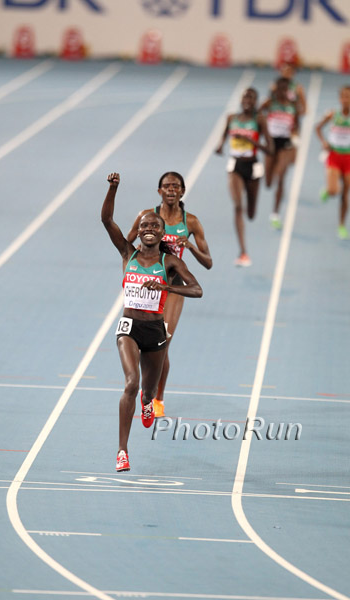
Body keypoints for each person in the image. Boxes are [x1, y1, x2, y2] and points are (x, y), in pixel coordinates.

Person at [102, 172, 203, 472]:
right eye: (144, 226)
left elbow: (197, 289)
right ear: (139, 231)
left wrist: (166, 287)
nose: (148, 229)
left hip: (155, 330)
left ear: (161, 234)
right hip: (129, 328)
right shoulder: (127, 253)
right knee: (131, 384)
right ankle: (122, 451)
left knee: (147, 391)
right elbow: (107, 220)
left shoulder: (169, 262)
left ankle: (148, 402)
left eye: (154, 226)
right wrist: (113, 188)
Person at [126, 172, 212, 418]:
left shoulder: (191, 222)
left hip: (172, 287)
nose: (171, 189)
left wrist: (190, 246)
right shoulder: (146, 217)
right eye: (167, 186)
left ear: (182, 191)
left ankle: (157, 399)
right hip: (147, 285)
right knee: (142, 342)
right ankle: (145, 390)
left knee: (162, 344)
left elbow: (208, 263)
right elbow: (126, 245)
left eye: (176, 186)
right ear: (159, 191)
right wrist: (137, 259)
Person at [215, 87, 273, 266]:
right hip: (235, 166)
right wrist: (220, 146)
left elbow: (271, 149)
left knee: (251, 213)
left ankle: (250, 207)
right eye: (245, 97)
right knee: (238, 206)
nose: (247, 101)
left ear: (255, 102)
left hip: (253, 167)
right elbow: (225, 134)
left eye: (251, 98)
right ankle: (243, 252)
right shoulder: (231, 118)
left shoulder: (260, 120)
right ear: (241, 100)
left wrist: (253, 142)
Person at [259, 77, 300, 230]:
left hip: (285, 145)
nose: (282, 92)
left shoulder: (292, 106)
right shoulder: (270, 103)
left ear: (288, 90)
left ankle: (275, 214)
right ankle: (272, 173)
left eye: (285, 89)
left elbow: (297, 125)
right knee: (268, 182)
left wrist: (295, 138)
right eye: (279, 89)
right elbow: (257, 115)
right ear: (276, 89)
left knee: (281, 177)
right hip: (271, 144)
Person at [315, 85, 350, 240]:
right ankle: (328, 190)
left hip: (348, 158)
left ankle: (341, 225)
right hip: (334, 156)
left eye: (348, 97)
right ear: (339, 98)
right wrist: (324, 142)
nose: (346, 100)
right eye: (343, 96)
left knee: (345, 194)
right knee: (334, 191)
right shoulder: (333, 114)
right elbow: (317, 128)